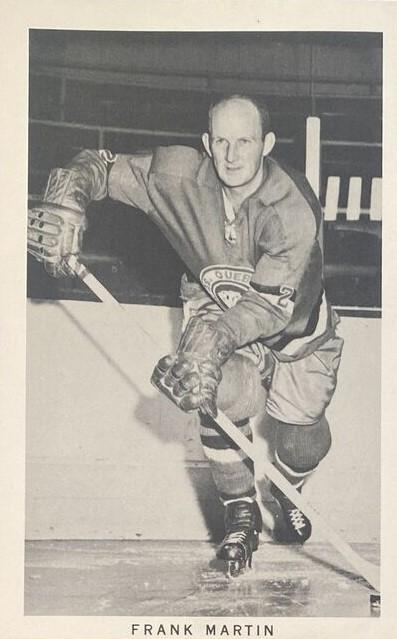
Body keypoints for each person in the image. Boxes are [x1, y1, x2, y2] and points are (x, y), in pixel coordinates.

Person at [28, 94, 343, 577]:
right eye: (221, 142)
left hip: (294, 329)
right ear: (206, 143)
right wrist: (68, 191)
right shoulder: (178, 175)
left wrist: (214, 340)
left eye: (245, 142)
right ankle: (240, 510)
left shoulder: (291, 208)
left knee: (302, 441)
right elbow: (103, 166)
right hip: (214, 303)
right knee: (211, 386)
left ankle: (287, 486)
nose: (232, 155)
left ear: (268, 144)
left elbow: (267, 309)